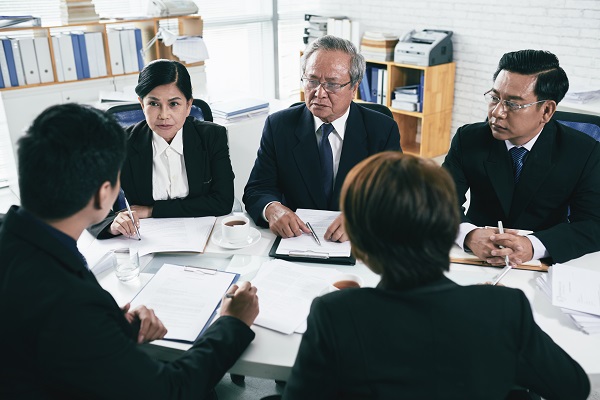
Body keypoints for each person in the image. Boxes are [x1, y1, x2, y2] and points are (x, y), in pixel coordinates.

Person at [0, 103, 259, 399]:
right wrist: (233, 323)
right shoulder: (70, 304)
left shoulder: (14, 237)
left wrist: (110, 326)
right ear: (103, 194)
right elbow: (170, 390)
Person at [283, 151, 589, 400]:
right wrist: (488, 311)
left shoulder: (335, 313)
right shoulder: (504, 307)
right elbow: (574, 388)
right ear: (448, 232)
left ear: (359, 245)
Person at [442, 49, 600, 265]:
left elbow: (593, 224)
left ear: (546, 110)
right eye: (495, 98)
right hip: (474, 255)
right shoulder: (468, 138)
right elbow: (437, 202)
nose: (497, 112)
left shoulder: (584, 151)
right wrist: (468, 234)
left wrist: (533, 246)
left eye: (513, 104)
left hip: (541, 261)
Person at [243, 35, 400, 242]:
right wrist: (271, 209)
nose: (319, 93)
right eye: (312, 81)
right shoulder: (279, 126)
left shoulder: (382, 129)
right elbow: (258, 189)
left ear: (354, 88)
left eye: (332, 84)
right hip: (296, 240)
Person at [90, 59, 235, 238]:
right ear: (142, 104)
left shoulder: (212, 136)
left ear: (189, 106)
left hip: (205, 236)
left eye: (174, 104)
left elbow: (223, 201)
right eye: (154, 103)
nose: (164, 115)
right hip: (146, 240)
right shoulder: (121, 144)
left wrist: (152, 210)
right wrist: (113, 224)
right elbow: (89, 206)